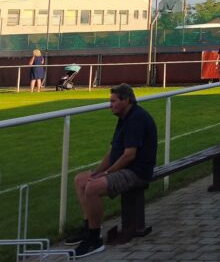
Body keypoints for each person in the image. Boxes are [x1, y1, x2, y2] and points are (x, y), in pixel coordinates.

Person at [64, 84, 158, 258]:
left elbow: (129, 155)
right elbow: (113, 152)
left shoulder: (136, 119)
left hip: (137, 172)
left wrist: (107, 174)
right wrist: (97, 172)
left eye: (113, 101)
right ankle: (88, 228)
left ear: (126, 100)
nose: (110, 105)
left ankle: (94, 240)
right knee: (81, 180)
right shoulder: (124, 118)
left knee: (92, 188)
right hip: (126, 168)